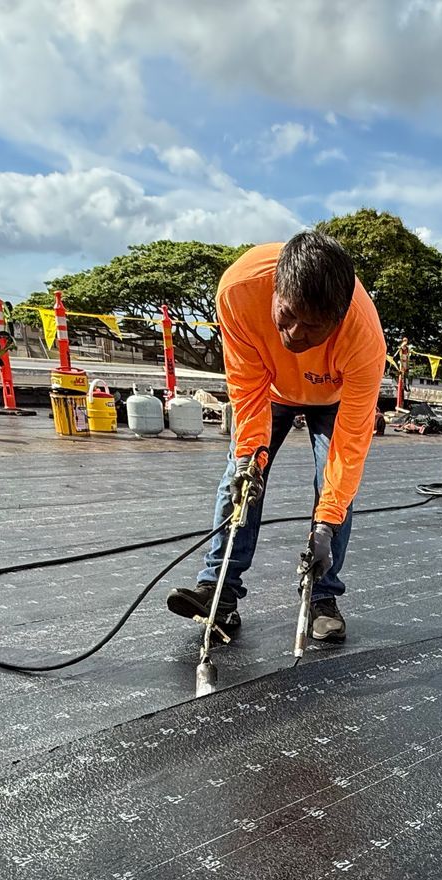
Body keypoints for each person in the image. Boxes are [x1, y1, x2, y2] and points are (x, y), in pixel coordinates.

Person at [165, 231, 386, 645]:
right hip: (270, 391)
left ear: (339, 318)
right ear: (276, 288)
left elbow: (349, 445)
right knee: (243, 478)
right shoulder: (240, 289)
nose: (295, 336)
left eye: (313, 327)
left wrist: (325, 524)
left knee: (334, 486)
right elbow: (246, 392)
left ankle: (322, 596)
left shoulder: (364, 338)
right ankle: (220, 591)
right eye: (287, 316)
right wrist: (252, 460)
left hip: (333, 397)